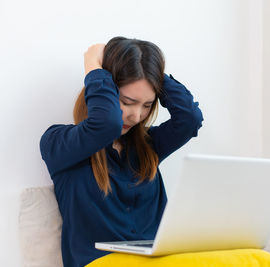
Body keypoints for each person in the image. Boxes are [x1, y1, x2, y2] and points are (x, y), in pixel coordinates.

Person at [39, 36, 203, 267]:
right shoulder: (58, 143)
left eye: (146, 105)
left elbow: (190, 119)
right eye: (126, 102)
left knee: (253, 257)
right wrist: (95, 67)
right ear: (104, 89)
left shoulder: (149, 146)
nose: (136, 116)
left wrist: (149, 71)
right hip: (99, 262)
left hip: (159, 261)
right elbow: (106, 124)